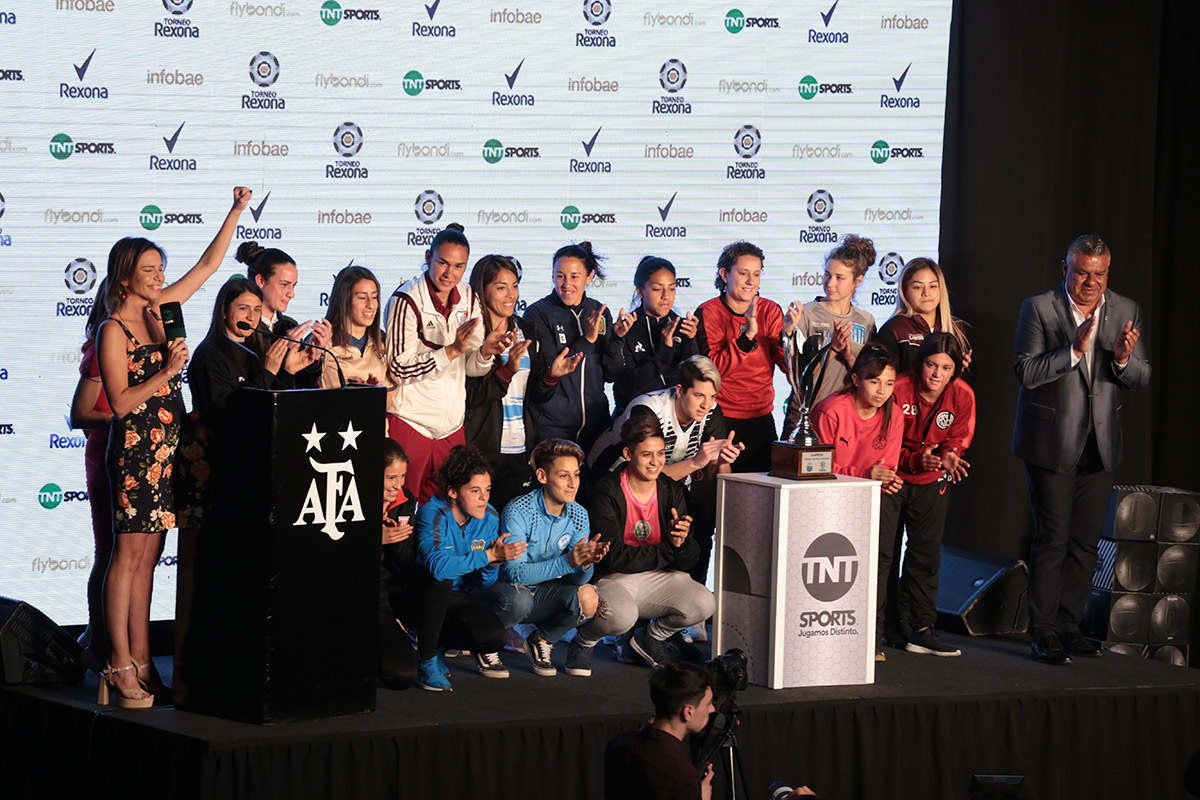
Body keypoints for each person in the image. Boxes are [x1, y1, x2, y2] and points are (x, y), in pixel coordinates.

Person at [95, 186, 251, 708]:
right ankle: (116, 663)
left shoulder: (164, 311)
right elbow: (118, 403)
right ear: (124, 279)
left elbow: (210, 264)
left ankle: (142, 658)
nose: (160, 277)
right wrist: (166, 370)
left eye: (161, 269)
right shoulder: (113, 330)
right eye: (149, 271)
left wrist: (234, 211)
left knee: (150, 555)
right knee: (128, 555)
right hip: (137, 451)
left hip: (169, 452)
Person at [1013, 235, 1150, 665]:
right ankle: (1044, 629)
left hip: (1101, 443)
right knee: (1052, 539)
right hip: (1050, 442)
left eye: (1100, 274)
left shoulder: (1124, 309)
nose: (1091, 282)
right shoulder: (1038, 308)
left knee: (1085, 542)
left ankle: (1070, 625)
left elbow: (1142, 377)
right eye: (1083, 273)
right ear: (1065, 268)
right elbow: (1026, 371)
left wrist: (1124, 361)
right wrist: (1072, 350)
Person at [569, 415, 715, 673]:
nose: (656, 462)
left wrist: (681, 545)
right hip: (615, 579)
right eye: (647, 454)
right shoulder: (607, 491)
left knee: (705, 603)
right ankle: (584, 641)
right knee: (620, 617)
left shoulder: (672, 490)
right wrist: (670, 548)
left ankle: (650, 637)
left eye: (660, 453)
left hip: (658, 578)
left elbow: (690, 559)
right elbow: (614, 557)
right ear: (628, 453)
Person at [588, 356, 744, 589]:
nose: (706, 404)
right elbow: (644, 474)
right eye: (699, 395)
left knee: (700, 517)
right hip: (614, 478)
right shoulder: (648, 409)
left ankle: (691, 599)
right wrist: (695, 463)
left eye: (712, 397)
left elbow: (714, 473)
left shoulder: (711, 412)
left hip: (668, 482)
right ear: (680, 391)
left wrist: (721, 463)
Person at [384, 224, 506, 504]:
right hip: (411, 422)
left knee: (446, 513)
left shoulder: (470, 296)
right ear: (428, 257)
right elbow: (399, 369)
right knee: (400, 508)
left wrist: (485, 354)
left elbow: (472, 367)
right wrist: (450, 351)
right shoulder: (406, 299)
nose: (449, 273)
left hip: (452, 427)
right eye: (442, 263)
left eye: (459, 266)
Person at [879, 333, 976, 658]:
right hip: (892, 477)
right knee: (883, 557)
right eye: (931, 364)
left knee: (925, 556)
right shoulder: (900, 388)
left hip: (932, 478)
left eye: (946, 367)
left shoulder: (962, 395)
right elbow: (882, 440)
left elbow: (959, 435)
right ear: (920, 363)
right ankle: (878, 629)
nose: (936, 374)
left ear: (955, 370)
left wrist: (950, 453)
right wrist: (911, 460)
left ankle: (921, 629)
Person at [465, 255, 582, 510]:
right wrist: (506, 371)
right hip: (482, 447)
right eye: (500, 287)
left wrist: (552, 376)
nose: (511, 295)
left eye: (515, 285)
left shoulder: (526, 330)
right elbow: (468, 396)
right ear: (481, 291)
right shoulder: (470, 332)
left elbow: (537, 397)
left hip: (521, 449)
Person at [812, 346, 903, 661]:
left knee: (880, 563)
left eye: (889, 384)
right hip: (829, 496)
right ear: (855, 379)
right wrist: (864, 473)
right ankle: (824, 633)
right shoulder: (830, 410)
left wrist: (882, 478)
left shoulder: (895, 413)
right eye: (874, 382)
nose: (882, 392)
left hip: (872, 494)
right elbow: (817, 467)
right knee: (833, 566)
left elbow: (886, 465)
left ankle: (870, 637)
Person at [413, 444, 526, 690]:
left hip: (459, 594)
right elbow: (437, 568)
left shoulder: (490, 517)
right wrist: (487, 555)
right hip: (419, 595)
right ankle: (426, 659)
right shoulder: (432, 513)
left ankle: (440, 643)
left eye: (486, 490)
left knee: (492, 638)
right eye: (475, 490)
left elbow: (481, 583)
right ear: (453, 491)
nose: (484, 498)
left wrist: (493, 562)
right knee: (441, 578)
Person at [496, 439, 608, 676]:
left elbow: (576, 581)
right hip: (511, 592)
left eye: (576, 475)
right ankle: (485, 640)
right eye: (563, 475)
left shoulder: (579, 514)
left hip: (546, 593)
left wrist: (585, 563)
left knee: (588, 596)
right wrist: (568, 561)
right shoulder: (518, 510)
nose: (572, 484)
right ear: (542, 476)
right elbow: (515, 573)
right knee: (520, 600)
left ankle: (541, 640)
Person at [694, 241, 787, 473]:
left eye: (756, 274)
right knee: (720, 496)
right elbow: (712, 371)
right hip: (721, 416)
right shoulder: (708, 312)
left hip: (761, 417)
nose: (750, 281)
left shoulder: (771, 310)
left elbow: (788, 367)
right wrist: (748, 337)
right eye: (743, 273)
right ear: (724, 275)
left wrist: (790, 339)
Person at [524, 241, 624, 454]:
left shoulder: (599, 311)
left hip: (596, 428)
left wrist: (618, 340)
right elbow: (553, 366)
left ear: (589, 277)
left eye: (574, 276)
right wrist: (587, 339)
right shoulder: (537, 313)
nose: (566, 284)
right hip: (552, 429)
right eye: (560, 276)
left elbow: (609, 373)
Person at [782, 234, 879, 440]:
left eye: (839, 278)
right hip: (805, 417)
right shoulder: (807, 314)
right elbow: (798, 375)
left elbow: (867, 377)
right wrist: (832, 349)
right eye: (827, 275)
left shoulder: (866, 321)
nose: (830, 283)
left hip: (843, 419)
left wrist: (848, 355)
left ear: (858, 280)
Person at [68, 280, 115, 672]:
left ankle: (98, 640)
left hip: (138, 455)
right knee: (109, 551)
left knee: (128, 557)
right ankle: (98, 644)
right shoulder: (101, 346)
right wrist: (132, 419)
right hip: (108, 454)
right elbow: (80, 415)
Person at [187, 277, 312, 410]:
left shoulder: (257, 349)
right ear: (224, 311)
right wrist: (267, 373)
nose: (251, 317)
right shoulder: (209, 355)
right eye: (243, 308)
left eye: (257, 310)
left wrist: (287, 372)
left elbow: (278, 406)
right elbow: (227, 411)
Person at [604, 661, 716, 800]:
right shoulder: (683, 775)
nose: (712, 709)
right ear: (688, 712)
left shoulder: (619, 743)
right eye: (708, 704)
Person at [609, 256, 700, 416]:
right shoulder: (626, 328)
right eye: (657, 289)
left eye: (672, 288)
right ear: (640, 290)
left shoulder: (683, 326)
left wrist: (690, 342)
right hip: (637, 421)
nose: (666, 296)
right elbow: (629, 389)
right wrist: (664, 350)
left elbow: (695, 382)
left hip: (678, 419)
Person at [234, 241, 330, 389]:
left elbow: (302, 388)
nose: (291, 294)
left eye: (293, 286)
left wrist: (313, 357)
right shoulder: (242, 330)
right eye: (284, 285)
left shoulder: (289, 327)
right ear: (260, 280)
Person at [874, 257, 973, 375]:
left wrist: (957, 374)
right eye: (917, 287)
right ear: (904, 291)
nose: (926, 293)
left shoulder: (959, 329)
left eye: (933, 286)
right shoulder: (894, 330)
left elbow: (969, 384)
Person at [378, 439, 418, 689]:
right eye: (391, 477)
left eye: (402, 476)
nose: (399, 485)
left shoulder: (405, 501)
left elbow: (406, 561)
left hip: (384, 593)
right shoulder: (348, 498)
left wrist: (392, 543)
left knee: (402, 675)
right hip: (346, 593)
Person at [323, 265, 392, 392]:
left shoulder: (382, 341)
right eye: (362, 298)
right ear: (344, 300)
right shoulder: (322, 341)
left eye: (375, 297)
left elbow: (389, 401)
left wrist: (373, 393)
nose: (371, 305)